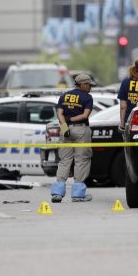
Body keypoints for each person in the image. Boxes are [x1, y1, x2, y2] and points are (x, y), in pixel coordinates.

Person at [51, 73, 95, 203]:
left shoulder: (64, 95)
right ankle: (78, 195)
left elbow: (59, 113)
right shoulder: (87, 97)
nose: (90, 87)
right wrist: (72, 119)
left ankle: (57, 193)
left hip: (65, 129)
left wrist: (65, 125)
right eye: (89, 85)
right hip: (81, 129)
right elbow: (85, 115)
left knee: (64, 160)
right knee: (82, 160)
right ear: (83, 84)